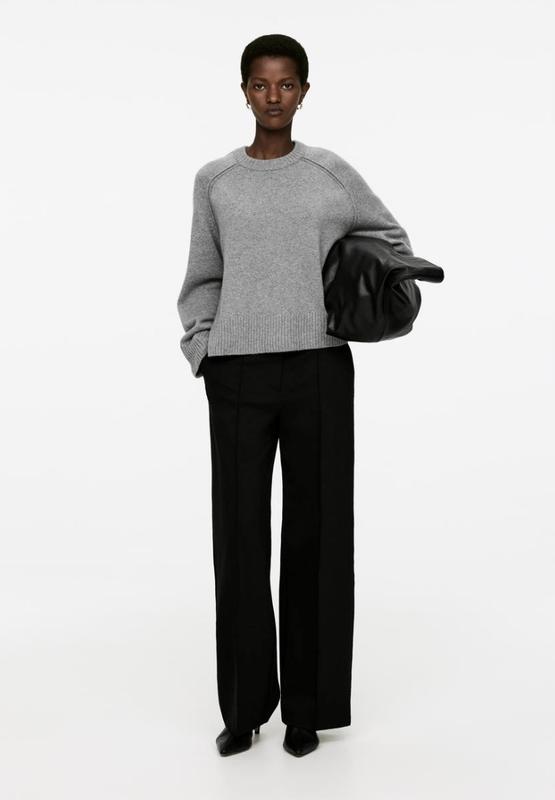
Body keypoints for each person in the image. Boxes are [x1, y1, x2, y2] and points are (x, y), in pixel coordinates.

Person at [176, 33, 413, 758]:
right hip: (236, 374)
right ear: (244, 91)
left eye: (286, 84)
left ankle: (306, 709)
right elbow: (203, 274)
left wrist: (355, 306)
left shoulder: (329, 173)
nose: (273, 96)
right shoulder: (216, 180)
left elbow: (392, 242)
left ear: (304, 92)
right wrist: (203, 346)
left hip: (318, 369)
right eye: (260, 84)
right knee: (239, 542)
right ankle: (245, 707)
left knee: (318, 537)